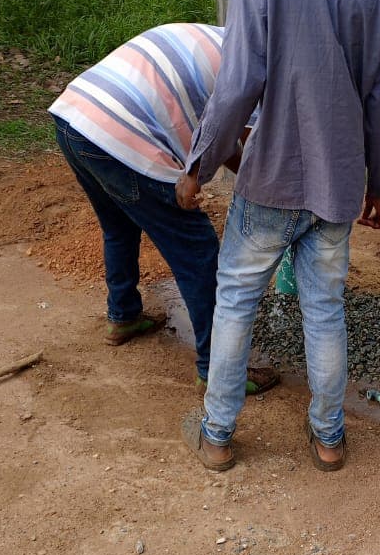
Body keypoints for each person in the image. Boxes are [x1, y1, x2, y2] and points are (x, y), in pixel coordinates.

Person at [176, 0, 380, 472]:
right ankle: (329, 439)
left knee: (235, 304)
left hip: (270, 180)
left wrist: (200, 165)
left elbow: (238, 83)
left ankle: (219, 435)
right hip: (337, 187)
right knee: (325, 310)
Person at [49, 23, 278, 393]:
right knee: (198, 251)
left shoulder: (218, 38)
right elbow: (247, 144)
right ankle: (218, 370)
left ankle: (123, 316)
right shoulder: (258, 68)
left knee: (119, 225)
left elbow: (229, 142)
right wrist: (269, 191)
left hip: (75, 116)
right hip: (122, 135)